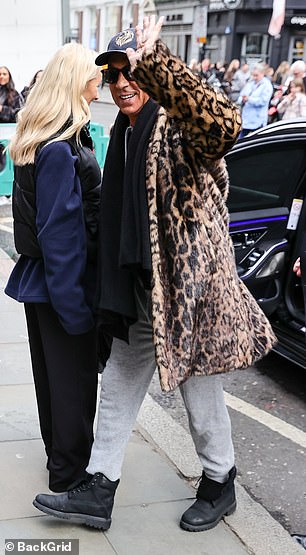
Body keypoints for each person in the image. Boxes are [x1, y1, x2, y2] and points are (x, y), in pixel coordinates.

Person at [33, 16, 276, 533]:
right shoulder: (123, 130)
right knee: (119, 383)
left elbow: (223, 124)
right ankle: (98, 489)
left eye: (131, 71)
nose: (121, 82)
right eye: (113, 73)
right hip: (142, 288)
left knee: (199, 392)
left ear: (153, 75)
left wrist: (161, 61)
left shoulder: (178, 127)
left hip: (190, 294)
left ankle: (219, 478)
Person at [5, 43, 102, 493]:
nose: (99, 86)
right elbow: (60, 234)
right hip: (61, 285)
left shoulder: (37, 137)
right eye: (94, 78)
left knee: (53, 382)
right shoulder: (60, 147)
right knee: (71, 386)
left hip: (42, 281)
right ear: (76, 82)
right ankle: (69, 475)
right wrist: (77, 309)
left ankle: (62, 467)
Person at [238, 63, 273, 139]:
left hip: (258, 119)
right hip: (246, 119)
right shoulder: (250, 83)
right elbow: (241, 96)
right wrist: (242, 99)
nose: (254, 77)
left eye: (256, 75)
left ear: (262, 74)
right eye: (253, 75)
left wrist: (249, 99)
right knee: (239, 140)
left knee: (256, 141)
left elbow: (263, 101)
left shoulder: (267, 85)